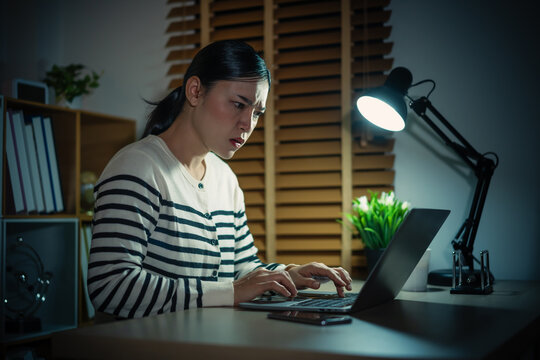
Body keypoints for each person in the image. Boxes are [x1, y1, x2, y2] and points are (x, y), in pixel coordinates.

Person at [87, 39, 352, 319]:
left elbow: (242, 268)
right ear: (195, 91)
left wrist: (288, 274)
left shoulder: (225, 178)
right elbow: (110, 286)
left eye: (257, 113)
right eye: (239, 104)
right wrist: (232, 292)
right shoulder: (138, 167)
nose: (248, 124)